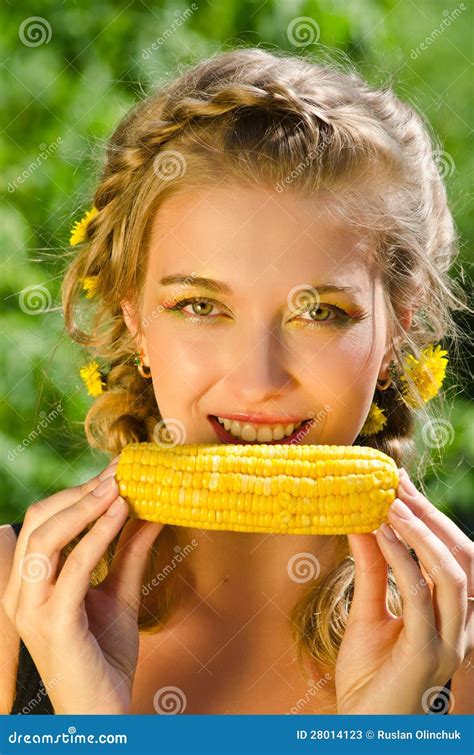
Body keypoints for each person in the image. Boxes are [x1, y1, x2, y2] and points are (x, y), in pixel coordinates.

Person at [1, 47, 472, 716]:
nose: (259, 380)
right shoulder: (10, 598)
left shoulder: (463, 642)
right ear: (135, 319)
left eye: (319, 312)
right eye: (200, 305)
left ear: (398, 326)